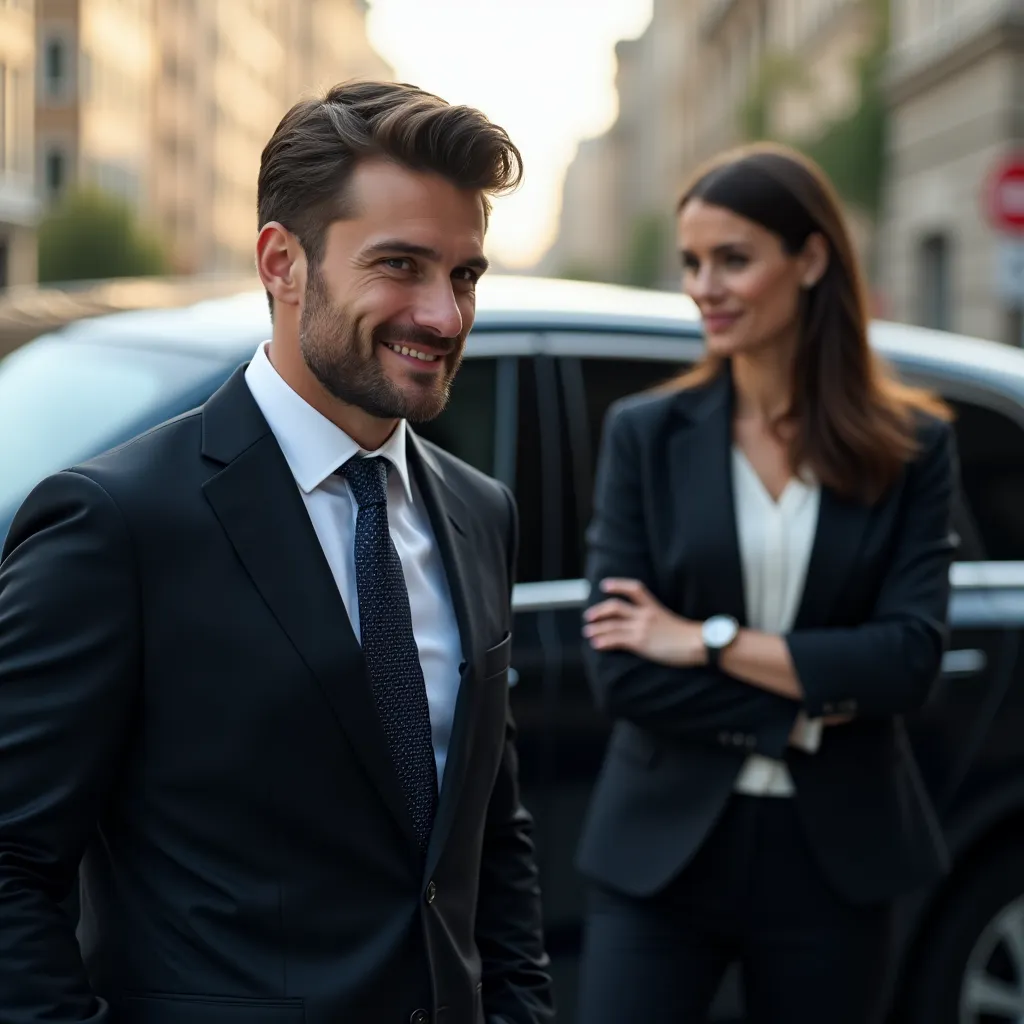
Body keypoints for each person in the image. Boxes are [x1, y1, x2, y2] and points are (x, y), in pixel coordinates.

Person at [0, 81, 553, 1024]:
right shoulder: (118, 524)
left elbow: (490, 844)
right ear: (281, 262)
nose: (446, 316)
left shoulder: (478, 512)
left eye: (463, 275)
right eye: (401, 265)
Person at [574, 142, 958, 1024]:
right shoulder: (644, 434)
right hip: (660, 852)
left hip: (837, 859)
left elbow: (905, 661)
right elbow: (622, 668)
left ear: (812, 259)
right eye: (693, 263)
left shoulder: (911, 449)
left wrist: (704, 641)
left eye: (733, 259)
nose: (704, 286)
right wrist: (805, 705)